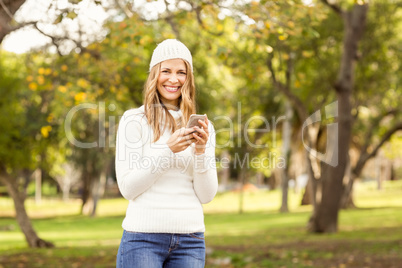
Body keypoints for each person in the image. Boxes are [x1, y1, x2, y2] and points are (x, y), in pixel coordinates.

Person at [115, 39, 218, 268]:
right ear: (155, 74)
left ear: (188, 78)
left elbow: (206, 195)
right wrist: (167, 150)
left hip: (190, 241)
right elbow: (128, 188)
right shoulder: (134, 120)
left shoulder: (202, 127)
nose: (174, 79)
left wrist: (200, 152)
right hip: (143, 240)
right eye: (166, 71)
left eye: (181, 72)